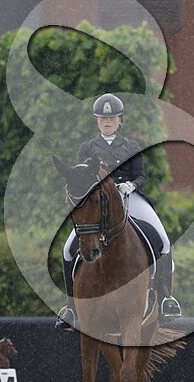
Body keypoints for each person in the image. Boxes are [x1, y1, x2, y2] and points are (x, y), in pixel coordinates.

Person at [55, 93, 182, 331]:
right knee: (68, 249)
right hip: (97, 201)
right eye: (103, 118)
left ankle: (166, 298)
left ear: (120, 120)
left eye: (111, 118)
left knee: (163, 240)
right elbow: (81, 177)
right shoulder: (87, 147)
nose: (107, 121)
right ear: (96, 121)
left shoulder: (131, 146)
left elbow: (141, 175)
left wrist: (131, 185)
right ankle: (71, 307)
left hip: (128, 196)